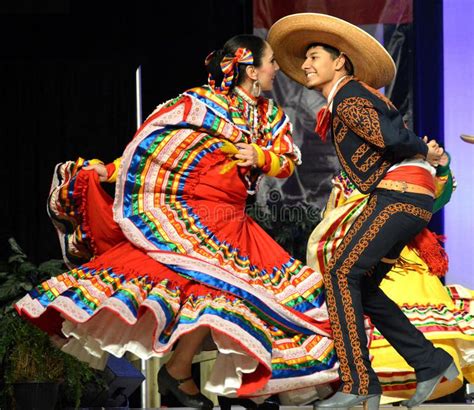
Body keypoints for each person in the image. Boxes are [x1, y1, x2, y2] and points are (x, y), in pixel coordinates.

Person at [14, 34, 339, 409]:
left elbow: (286, 163)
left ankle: (188, 376)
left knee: (230, 296)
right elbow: (152, 150)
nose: (277, 70)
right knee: (206, 290)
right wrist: (111, 170)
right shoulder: (198, 104)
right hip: (191, 214)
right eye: (271, 63)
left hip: (232, 219)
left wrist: (261, 157)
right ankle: (181, 375)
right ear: (252, 70)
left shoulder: (271, 116)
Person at [268, 13, 458, 409]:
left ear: (339, 61)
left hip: (399, 195)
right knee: (364, 286)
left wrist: (423, 150)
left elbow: (389, 136)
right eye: (305, 58)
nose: (305, 65)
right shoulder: (347, 98)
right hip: (405, 195)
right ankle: (431, 364)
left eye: (314, 56)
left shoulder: (350, 96)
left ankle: (359, 384)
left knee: (339, 271)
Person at [307, 152, 474, 404]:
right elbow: (333, 219)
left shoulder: (404, 166)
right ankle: (421, 365)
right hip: (361, 252)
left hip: (398, 252)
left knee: (361, 290)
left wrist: (440, 167)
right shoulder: (350, 179)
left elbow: (433, 200)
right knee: (362, 293)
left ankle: (370, 383)